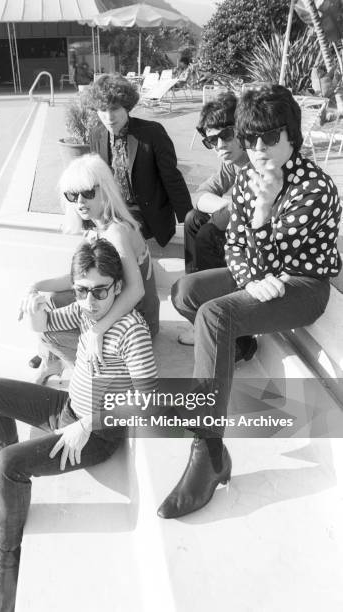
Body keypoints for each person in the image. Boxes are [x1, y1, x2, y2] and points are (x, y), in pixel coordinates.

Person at [159, 84, 342, 520]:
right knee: (186, 292)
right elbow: (237, 247)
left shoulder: (315, 188)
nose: (258, 148)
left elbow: (276, 249)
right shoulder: (245, 177)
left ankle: (208, 450)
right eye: (251, 138)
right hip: (263, 279)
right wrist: (251, 280)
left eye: (270, 137)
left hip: (302, 286)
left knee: (215, 313)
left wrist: (262, 214)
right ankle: (239, 347)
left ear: (291, 136)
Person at [0, 238, 157, 612]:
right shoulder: (86, 312)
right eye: (82, 290)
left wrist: (90, 422)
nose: (90, 300)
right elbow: (48, 323)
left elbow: (148, 399)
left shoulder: (132, 333)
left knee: (13, 463)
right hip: (68, 409)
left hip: (97, 435)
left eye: (101, 291)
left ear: (118, 287)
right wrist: (36, 309)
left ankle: (7, 553)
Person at [27, 153, 160, 383]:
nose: (80, 202)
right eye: (73, 195)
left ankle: (88, 372)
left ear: (105, 190)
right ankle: (52, 360)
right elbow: (75, 280)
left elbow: (136, 290)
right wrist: (35, 286)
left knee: (49, 330)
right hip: (113, 303)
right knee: (50, 298)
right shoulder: (96, 230)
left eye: (88, 193)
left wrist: (97, 330)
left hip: (137, 322)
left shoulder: (117, 231)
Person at [87, 73, 192, 247]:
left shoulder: (152, 133)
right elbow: (96, 180)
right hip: (114, 213)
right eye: (103, 110)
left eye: (115, 108)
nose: (109, 117)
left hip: (147, 215)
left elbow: (171, 177)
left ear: (127, 107)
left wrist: (188, 219)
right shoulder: (96, 134)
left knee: (121, 244)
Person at [180, 91, 251, 348]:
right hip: (246, 230)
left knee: (207, 235)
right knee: (193, 219)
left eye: (226, 134)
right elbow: (198, 195)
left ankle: (225, 325)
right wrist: (227, 204)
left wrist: (232, 210)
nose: (220, 145)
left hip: (267, 245)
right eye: (212, 140)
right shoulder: (232, 164)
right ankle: (198, 305)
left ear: (243, 129)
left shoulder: (258, 158)